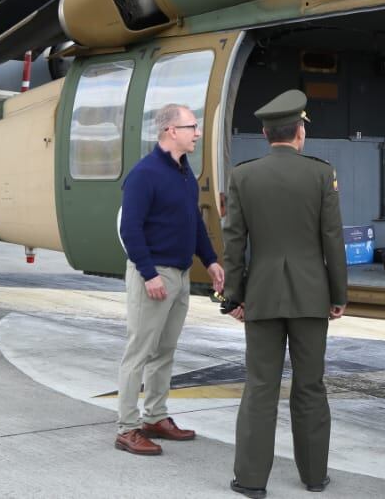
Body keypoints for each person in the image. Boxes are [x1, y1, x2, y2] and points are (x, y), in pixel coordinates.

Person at [223, 89, 348, 497]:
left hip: (261, 295)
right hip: (312, 297)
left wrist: (234, 297)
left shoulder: (243, 176)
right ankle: (314, 476)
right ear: (300, 133)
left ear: (264, 133)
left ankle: (251, 480)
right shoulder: (320, 174)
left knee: (260, 386)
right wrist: (338, 295)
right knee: (310, 386)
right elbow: (332, 240)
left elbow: (234, 243)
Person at [115, 103, 225, 456]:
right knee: (139, 353)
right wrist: (148, 274)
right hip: (154, 274)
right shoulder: (144, 174)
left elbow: (193, 223)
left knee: (165, 352)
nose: (197, 132)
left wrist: (210, 261)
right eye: (191, 126)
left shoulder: (183, 174)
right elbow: (130, 230)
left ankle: (155, 417)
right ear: (170, 132)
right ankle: (127, 428)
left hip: (178, 276)